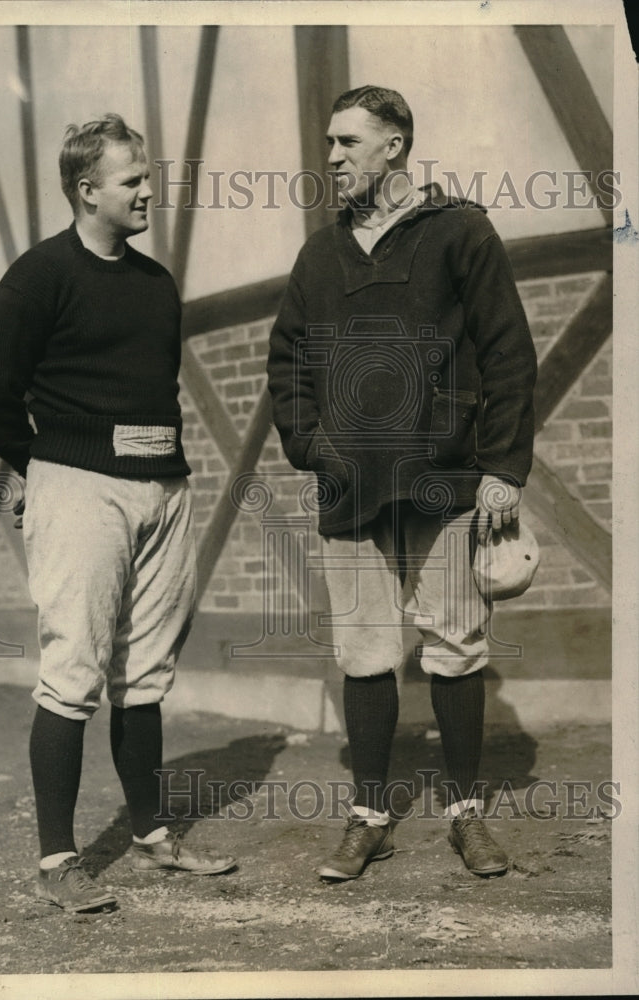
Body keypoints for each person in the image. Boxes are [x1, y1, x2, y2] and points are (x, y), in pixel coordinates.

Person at [267, 86, 537, 880]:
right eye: (328, 142)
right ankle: (369, 817)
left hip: (445, 484)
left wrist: (500, 469)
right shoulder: (320, 255)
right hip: (351, 493)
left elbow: (508, 354)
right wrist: (314, 447)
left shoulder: (461, 231)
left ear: (394, 144)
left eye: (347, 141)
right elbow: (287, 362)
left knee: (452, 651)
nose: (332, 157)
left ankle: (463, 815)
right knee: (363, 654)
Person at [0, 113, 236, 913]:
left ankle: (152, 835)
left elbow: (154, 392)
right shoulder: (37, 276)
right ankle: (58, 862)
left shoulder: (156, 284)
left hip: (164, 489)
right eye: (133, 180)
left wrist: (157, 477)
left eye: (146, 177)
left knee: (145, 673)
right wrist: (44, 471)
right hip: (79, 490)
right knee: (73, 672)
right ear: (87, 191)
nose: (149, 190)